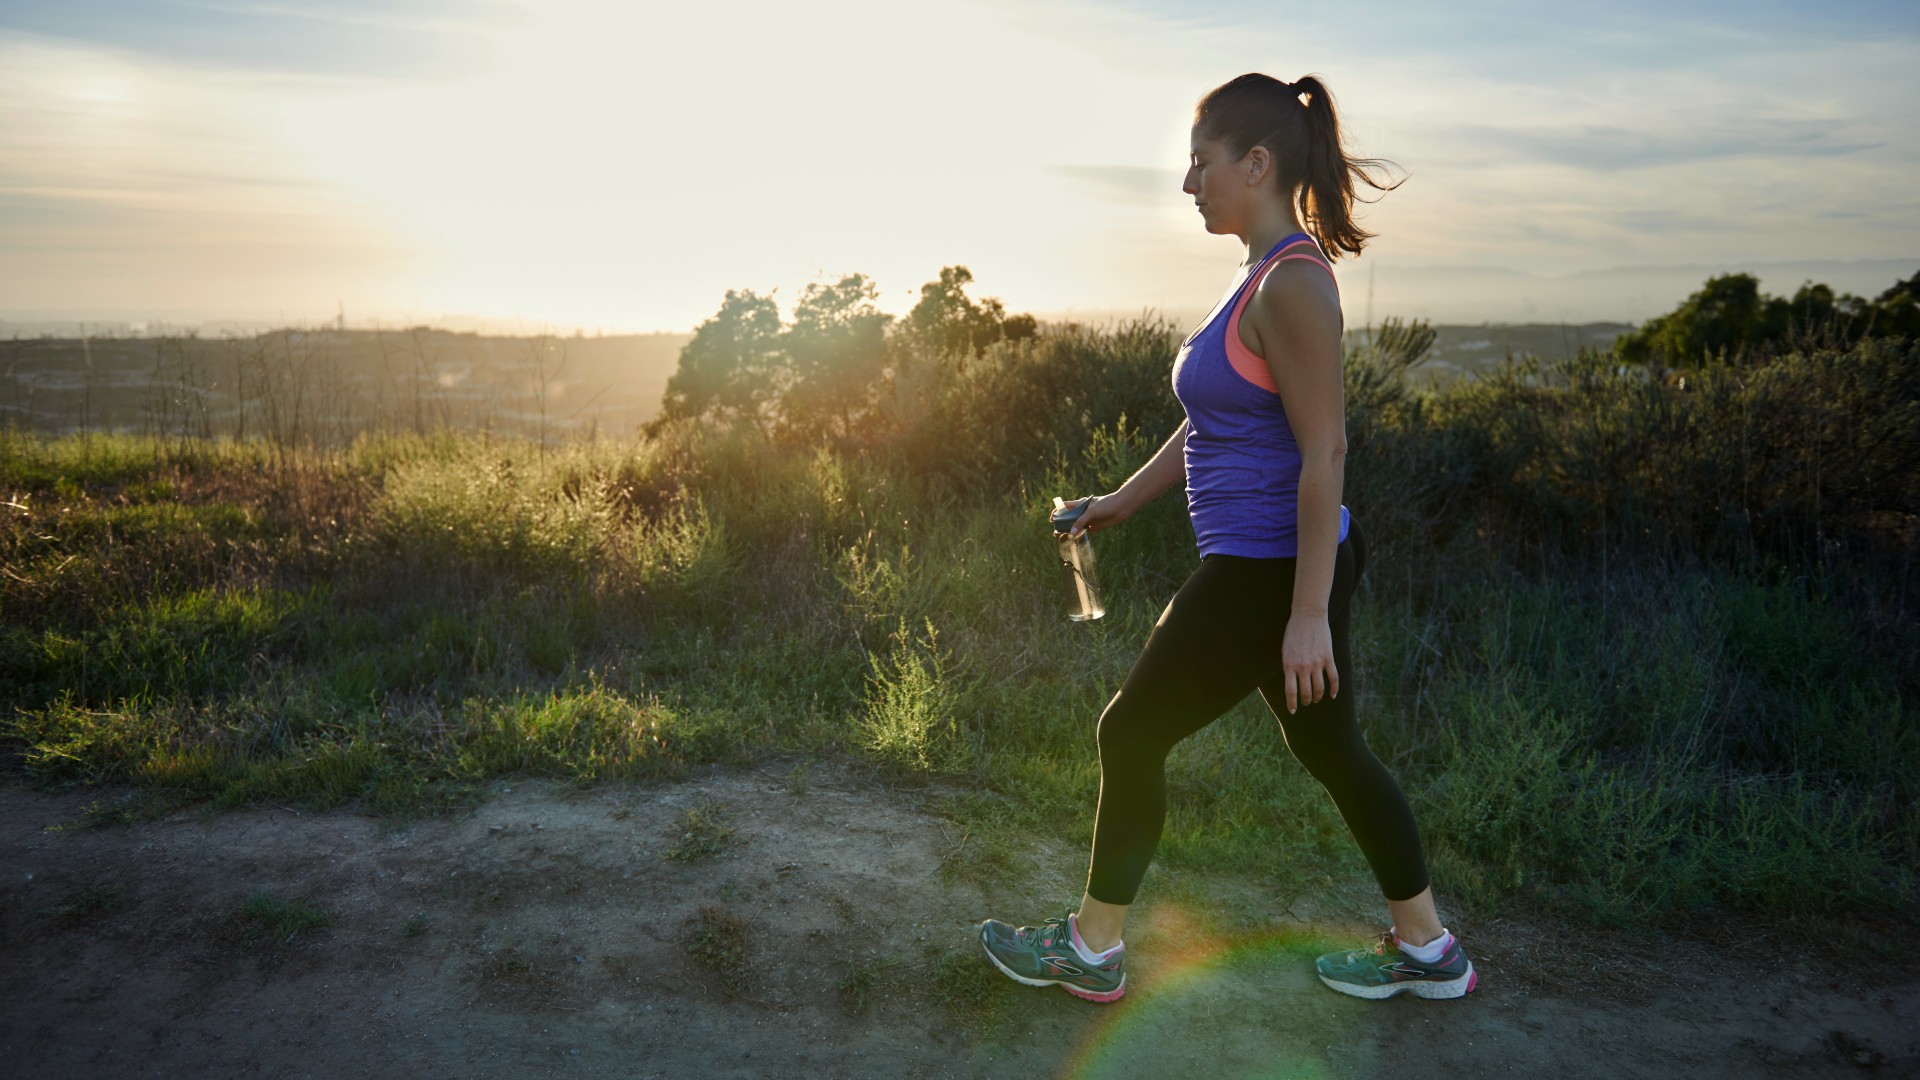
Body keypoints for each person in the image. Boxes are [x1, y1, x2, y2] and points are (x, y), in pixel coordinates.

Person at [977, 72, 1476, 1004]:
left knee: (1128, 734)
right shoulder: (1256, 278)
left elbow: (1325, 451)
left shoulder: (1292, 285)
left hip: (1271, 565)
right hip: (1267, 564)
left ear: (1256, 163)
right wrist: (1123, 499)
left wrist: (1306, 615)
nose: (1188, 183)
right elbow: (1212, 420)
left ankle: (1089, 950)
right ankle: (1429, 950)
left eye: (1200, 163)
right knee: (1334, 753)